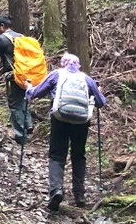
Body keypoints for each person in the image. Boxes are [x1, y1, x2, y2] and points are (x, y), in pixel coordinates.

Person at [26, 53, 106, 212]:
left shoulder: (56, 75)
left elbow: (36, 93)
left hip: (60, 119)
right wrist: (98, 91)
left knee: (57, 155)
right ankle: (79, 194)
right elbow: (101, 102)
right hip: (81, 122)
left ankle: (56, 190)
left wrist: (28, 88)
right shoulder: (86, 79)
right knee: (78, 155)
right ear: (78, 66)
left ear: (63, 64)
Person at [0, 12, 33, 145]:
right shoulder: (20, 37)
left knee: (14, 105)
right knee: (23, 100)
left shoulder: (1, 39)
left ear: (2, 26)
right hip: (26, 75)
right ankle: (28, 124)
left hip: (13, 76)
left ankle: (21, 135)